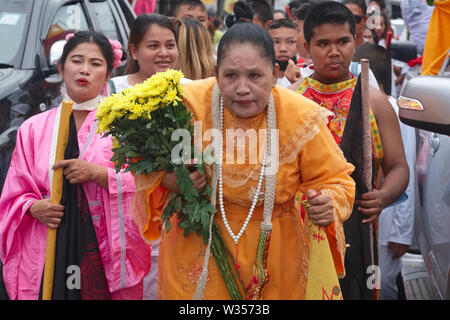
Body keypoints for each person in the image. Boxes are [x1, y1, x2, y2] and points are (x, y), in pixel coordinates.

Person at [132, 21, 357, 299]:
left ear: (274, 74)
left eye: (254, 76)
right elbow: (141, 156)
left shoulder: (301, 117)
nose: (242, 88)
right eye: (230, 76)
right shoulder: (185, 104)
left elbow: (334, 180)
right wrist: (173, 180)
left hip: (276, 257)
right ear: (216, 74)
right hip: (197, 254)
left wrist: (327, 202)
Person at [0, 31, 151, 299]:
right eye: (76, 60)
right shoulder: (33, 128)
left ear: (108, 73)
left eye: (95, 63)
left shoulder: (128, 126)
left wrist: (100, 174)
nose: (84, 70)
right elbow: (14, 191)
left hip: (105, 250)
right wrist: (33, 207)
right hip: (48, 243)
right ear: (61, 67)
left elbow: (148, 184)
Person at [294, 1, 409, 300]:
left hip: (359, 233)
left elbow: (398, 166)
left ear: (356, 41)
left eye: (343, 41)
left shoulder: (375, 102)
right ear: (307, 47)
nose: (334, 51)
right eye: (323, 43)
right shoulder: (291, 101)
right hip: (300, 231)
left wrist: (383, 196)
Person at [108, 13, 189, 300]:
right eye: (153, 46)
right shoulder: (113, 93)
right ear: (133, 50)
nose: (164, 53)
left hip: (178, 210)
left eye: (170, 45)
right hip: (124, 212)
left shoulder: (189, 89)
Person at [354, 42, 415, 300]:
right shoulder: (352, 103)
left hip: (388, 223)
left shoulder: (390, 109)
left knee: (383, 284)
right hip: (362, 218)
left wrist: (402, 232)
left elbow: (402, 170)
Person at [268, 18, 299, 87]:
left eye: (291, 42)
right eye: (276, 42)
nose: (283, 49)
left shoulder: (308, 77)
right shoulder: (261, 80)